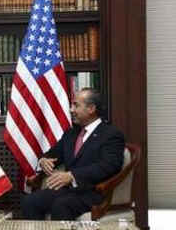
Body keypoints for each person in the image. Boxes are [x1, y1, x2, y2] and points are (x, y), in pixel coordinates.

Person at [21, 88, 125, 220]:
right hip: (69, 191)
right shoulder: (71, 133)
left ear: (91, 108)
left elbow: (109, 166)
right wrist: (43, 160)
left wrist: (72, 176)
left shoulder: (111, 135)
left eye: (76, 105)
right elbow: (53, 154)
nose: (71, 110)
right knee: (30, 201)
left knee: (61, 205)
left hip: (93, 192)